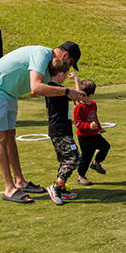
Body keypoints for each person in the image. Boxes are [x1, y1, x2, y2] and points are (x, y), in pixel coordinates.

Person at [0, 42, 89, 204]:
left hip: (9, 93)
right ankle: (9, 188)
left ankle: (19, 181)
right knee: (1, 136)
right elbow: (36, 88)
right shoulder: (42, 55)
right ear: (65, 56)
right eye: (70, 63)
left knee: (10, 134)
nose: (68, 67)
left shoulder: (49, 64)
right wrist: (68, 91)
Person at [44, 70, 81, 205]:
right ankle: (56, 187)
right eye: (65, 74)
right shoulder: (61, 90)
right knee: (74, 158)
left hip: (57, 130)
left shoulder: (48, 89)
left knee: (64, 160)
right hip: (61, 131)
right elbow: (80, 96)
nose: (66, 76)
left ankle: (62, 190)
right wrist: (76, 80)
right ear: (60, 74)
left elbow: (48, 111)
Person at [74, 79, 111, 185]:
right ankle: (81, 176)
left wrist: (99, 127)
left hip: (94, 134)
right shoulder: (79, 107)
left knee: (105, 146)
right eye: (81, 95)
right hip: (84, 137)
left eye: (85, 96)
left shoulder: (93, 104)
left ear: (92, 95)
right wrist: (89, 126)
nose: (83, 98)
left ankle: (95, 164)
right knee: (86, 156)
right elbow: (77, 123)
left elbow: (95, 117)